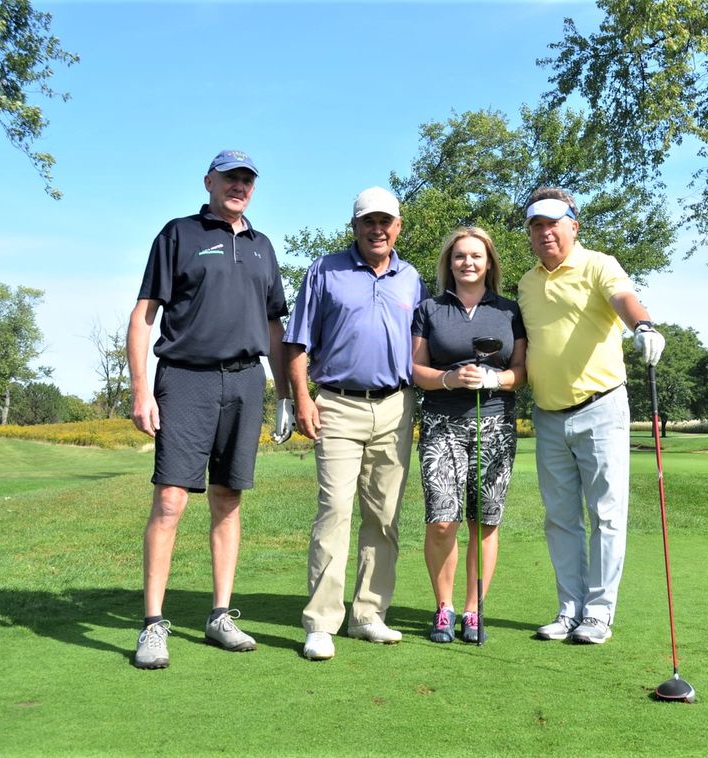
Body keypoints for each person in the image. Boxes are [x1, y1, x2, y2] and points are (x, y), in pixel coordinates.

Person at [127, 150, 293, 669]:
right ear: (210, 181)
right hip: (185, 378)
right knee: (171, 499)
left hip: (246, 380)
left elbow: (274, 330)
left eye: (246, 180)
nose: (238, 186)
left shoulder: (263, 247)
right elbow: (142, 317)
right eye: (230, 178)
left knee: (228, 497)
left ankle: (220, 615)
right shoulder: (178, 234)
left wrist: (284, 393)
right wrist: (139, 389)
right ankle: (153, 625)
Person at [284, 186, 429, 661]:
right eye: (369, 221)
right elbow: (297, 344)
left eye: (386, 221)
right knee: (335, 511)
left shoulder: (412, 278)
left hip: (395, 406)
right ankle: (322, 622)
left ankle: (369, 614)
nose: (377, 229)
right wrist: (300, 399)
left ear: (398, 226)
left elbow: (422, 346)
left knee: (384, 515)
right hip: (338, 404)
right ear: (355, 227)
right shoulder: (325, 270)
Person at [516, 187, 666, 645]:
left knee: (606, 514)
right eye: (536, 226)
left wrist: (642, 324)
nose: (544, 234)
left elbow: (624, 299)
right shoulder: (525, 283)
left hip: (600, 407)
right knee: (560, 518)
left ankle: (598, 613)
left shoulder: (600, 264)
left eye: (553, 224)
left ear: (573, 226)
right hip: (548, 414)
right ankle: (569, 609)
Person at [411, 227, 527, 644]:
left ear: (489, 262)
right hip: (442, 423)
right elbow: (416, 370)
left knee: (485, 522)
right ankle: (444, 608)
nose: (468, 263)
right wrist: (448, 378)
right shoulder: (430, 308)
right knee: (443, 521)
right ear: (449, 262)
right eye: (460, 256)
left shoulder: (509, 310)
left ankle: (474, 610)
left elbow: (521, 372)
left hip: (495, 423)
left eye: (476, 256)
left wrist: (496, 378)